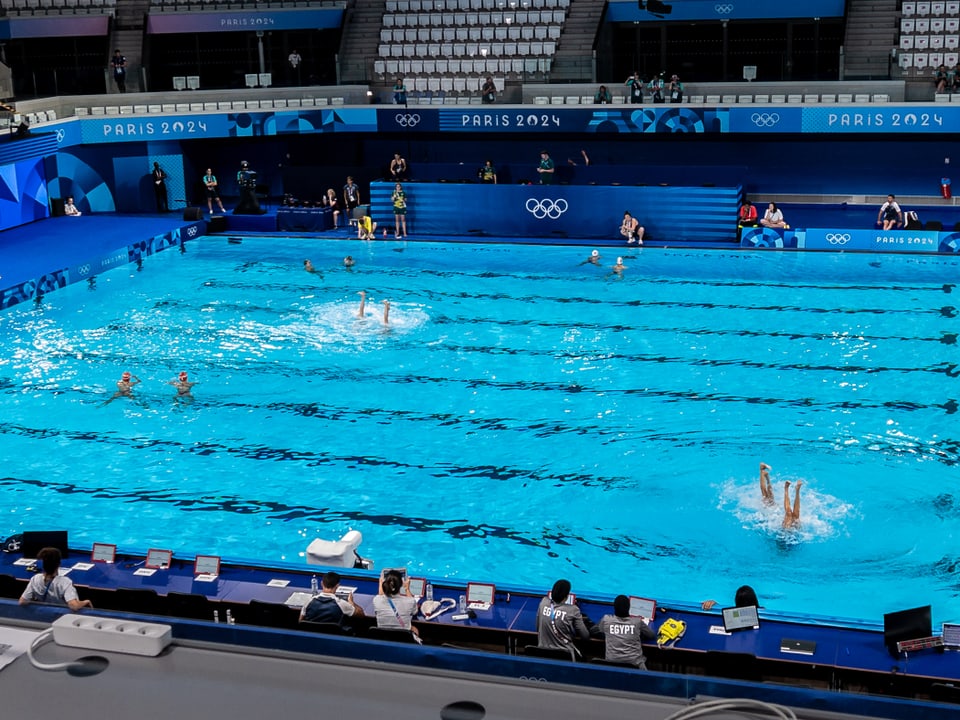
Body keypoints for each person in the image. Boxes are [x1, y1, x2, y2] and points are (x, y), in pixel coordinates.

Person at [19, 547, 92, 610]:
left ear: (43, 564)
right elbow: (74, 606)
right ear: (59, 564)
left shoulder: (35, 579)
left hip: (44, 615)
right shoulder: (64, 582)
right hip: (62, 617)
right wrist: (85, 602)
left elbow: (22, 601)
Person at [598, 595, 656, 669]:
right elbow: (651, 635)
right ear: (629, 608)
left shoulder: (606, 620)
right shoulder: (637, 622)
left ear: (614, 607)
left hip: (611, 667)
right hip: (635, 667)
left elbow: (597, 630)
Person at [536, 579, 590, 656]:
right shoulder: (573, 610)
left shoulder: (543, 602)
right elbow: (585, 636)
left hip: (542, 653)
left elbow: (538, 627)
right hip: (565, 655)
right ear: (566, 596)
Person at [300, 571, 365, 626]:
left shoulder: (308, 601)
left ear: (322, 584)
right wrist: (352, 603)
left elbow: (300, 622)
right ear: (337, 586)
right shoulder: (341, 604)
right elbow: (361, 614)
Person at [372, 568, 419, 638]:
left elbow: (380, 596)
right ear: (401, 584)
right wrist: (407, 589)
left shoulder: (376, 600)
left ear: (384, 584)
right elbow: (415, 612)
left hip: (383, 637)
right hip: (403, 637)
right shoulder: (410, 601)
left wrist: (380, 584)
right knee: (415, 629)